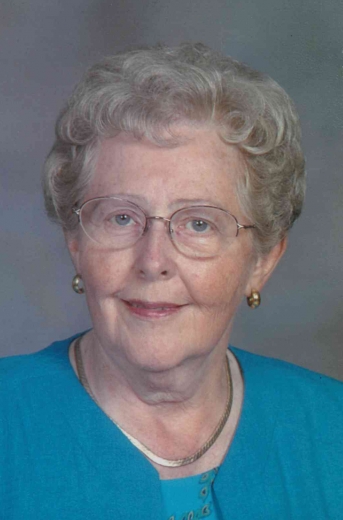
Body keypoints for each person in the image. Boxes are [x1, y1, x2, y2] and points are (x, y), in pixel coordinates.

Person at [1, 43, 342, 520]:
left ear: (262, 260)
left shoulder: (332, 432)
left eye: (199, 223)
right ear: (75, 241)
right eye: (121, 217)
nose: (153, 260)